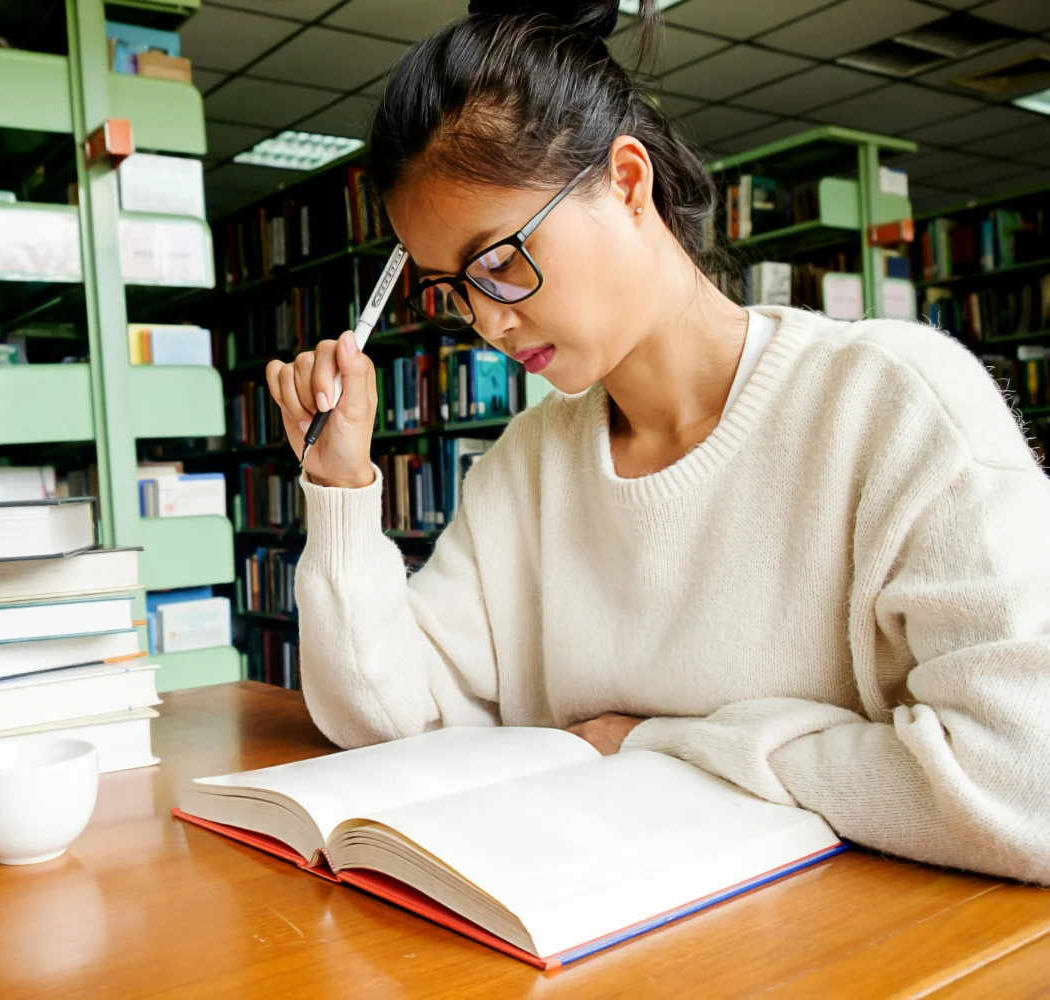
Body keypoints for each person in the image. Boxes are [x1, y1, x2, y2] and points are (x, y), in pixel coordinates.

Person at [264, 0, 1050, 884]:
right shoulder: (524, 466)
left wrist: (655, 742)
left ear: (628, 182)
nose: (486, 318)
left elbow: (1027, 788)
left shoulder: (892, 404)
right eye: (454, 287)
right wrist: (340, 489)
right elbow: (382, 720)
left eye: (500, 259)